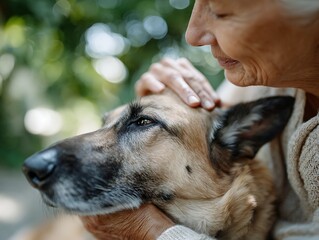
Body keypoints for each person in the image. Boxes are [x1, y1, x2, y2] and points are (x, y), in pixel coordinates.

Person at [82, 0, 319, 239]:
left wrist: (153, 231)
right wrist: (156, 102)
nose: (192, 34)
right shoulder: (267, 83)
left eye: (221, 12)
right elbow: (198, 139)